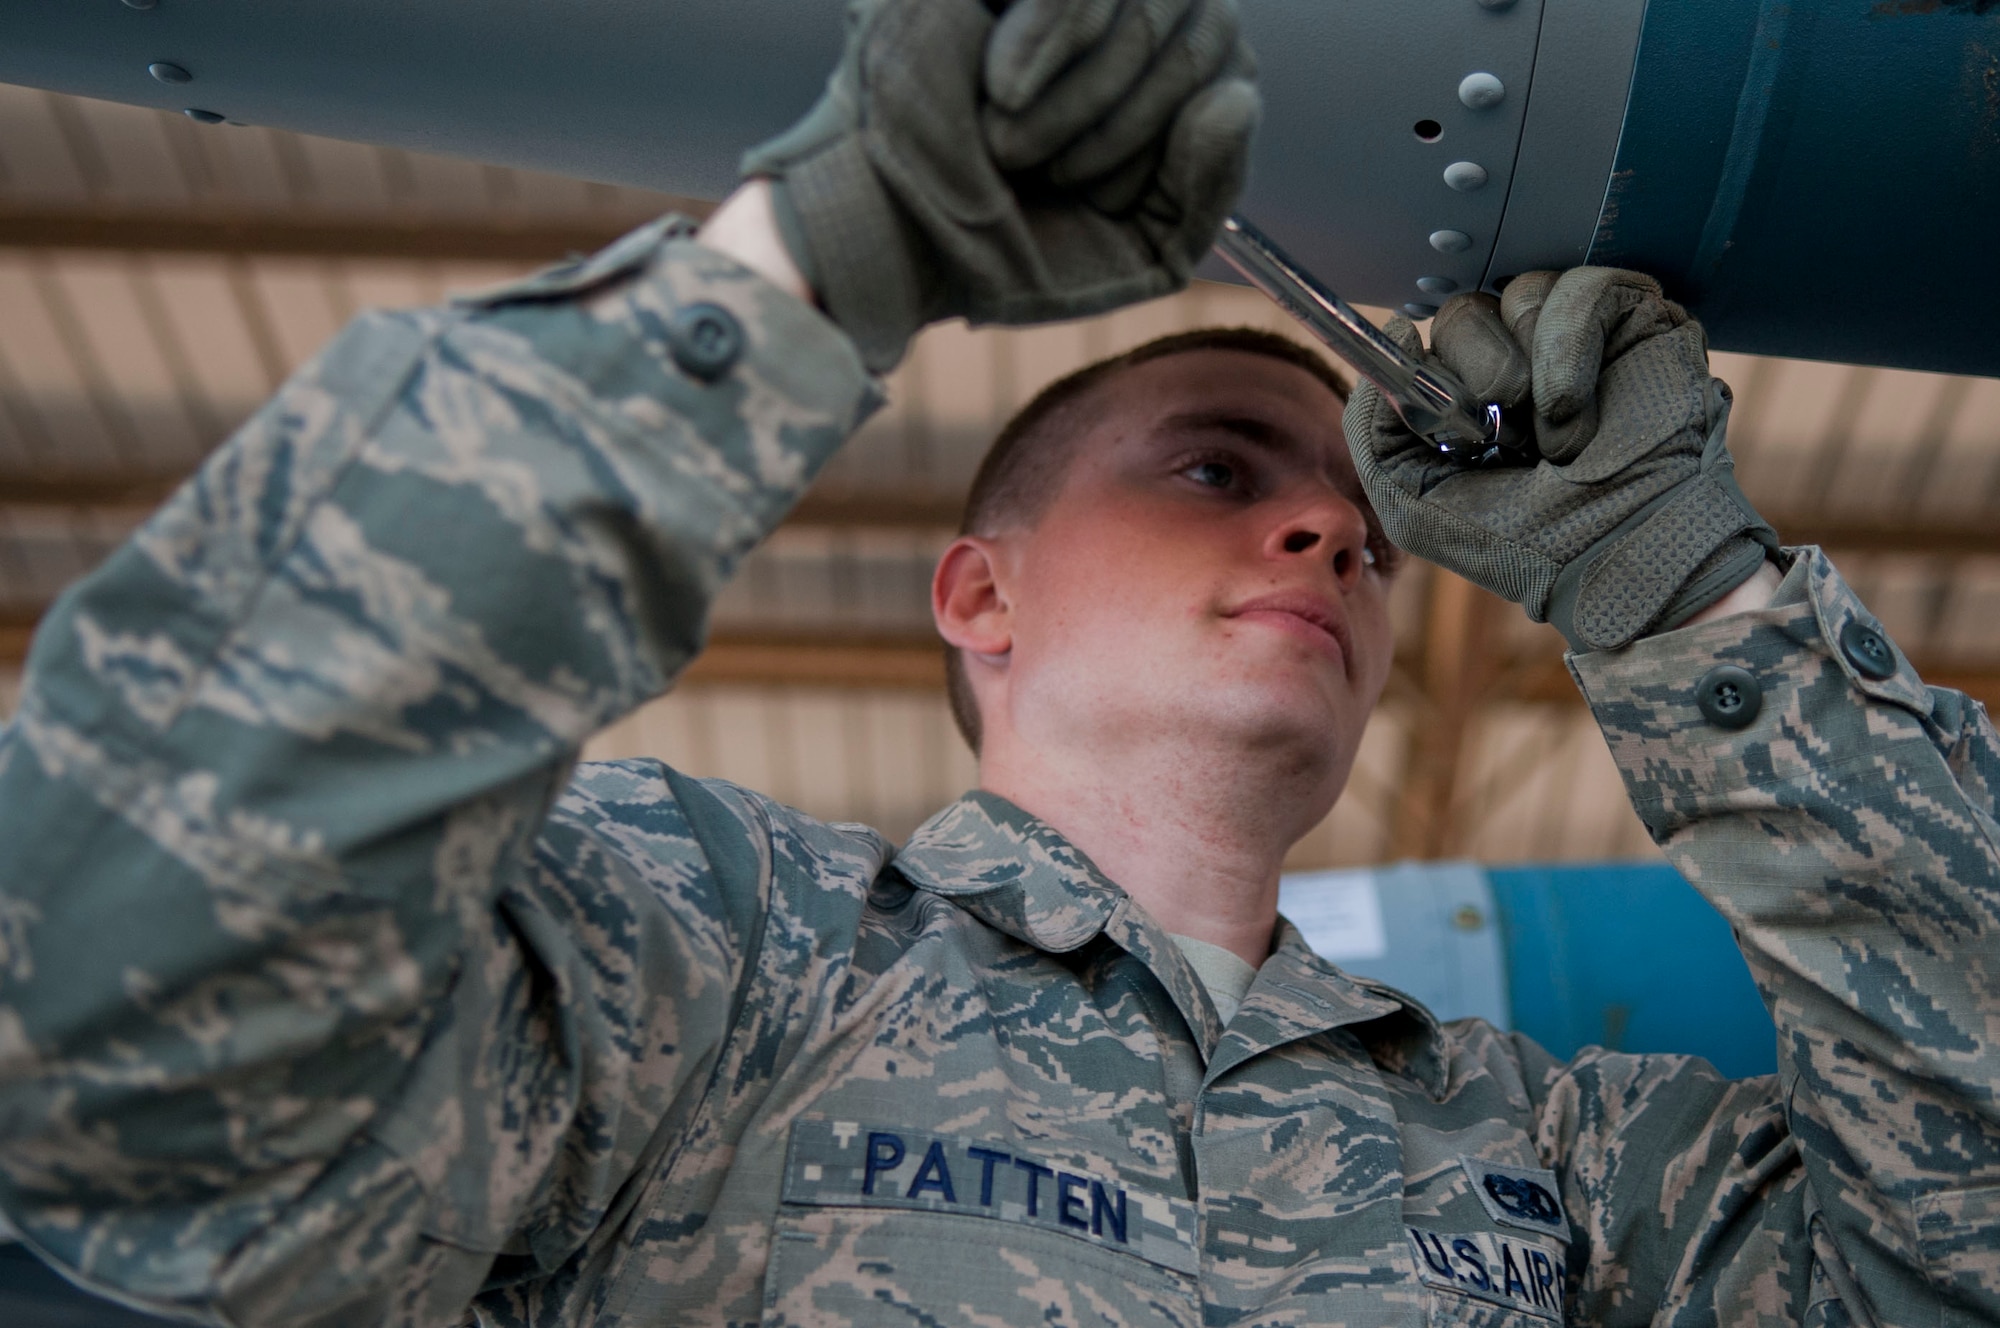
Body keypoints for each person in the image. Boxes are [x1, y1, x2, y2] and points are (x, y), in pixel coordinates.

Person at [0, 0, 1993, 1324]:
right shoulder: (715, 960)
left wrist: (1694, 604)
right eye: (1216, 467)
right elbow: (122, 1025)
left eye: (1363, 532)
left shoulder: (1549, 1150)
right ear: (977, 596)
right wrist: (802, 263)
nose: (1323, 529)